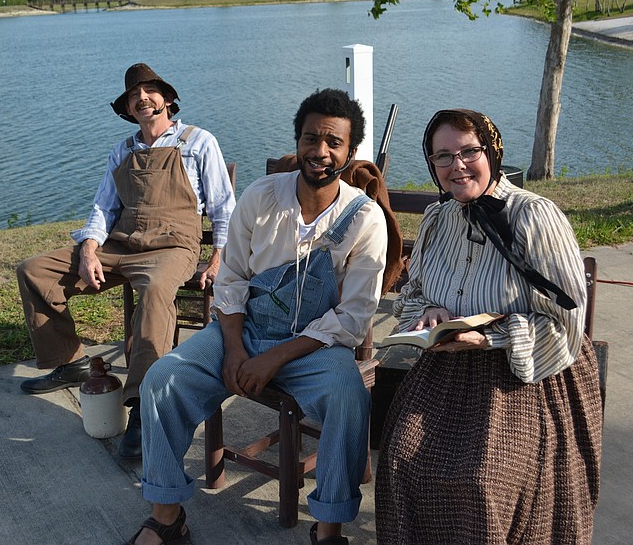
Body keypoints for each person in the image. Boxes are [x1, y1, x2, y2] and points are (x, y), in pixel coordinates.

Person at [128, 89, 388, 545]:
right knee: (161, 380)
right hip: (244, 329)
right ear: (298, 140)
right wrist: (233, 348)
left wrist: (274, 360)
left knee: (350, 398)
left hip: (315, 346)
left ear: (350, 151)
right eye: (311, 138)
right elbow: (231, 282)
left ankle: (328, 528)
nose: (320, 151)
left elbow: (353, 315)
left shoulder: (365, 218)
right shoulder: (261, 195)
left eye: (334, 142)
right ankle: (167, 517)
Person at [375, 109, 603, 544]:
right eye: (443, 156)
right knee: (401, 458)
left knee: (484, 480)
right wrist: (430, 313)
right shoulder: (437, 219)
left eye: (468, 152)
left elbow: (568, 318)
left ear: (492, 152)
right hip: (446, 370)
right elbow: (414, 291)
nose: (457, 165)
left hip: (527, 375)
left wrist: (491, 338)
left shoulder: (534, 215)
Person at [16, 63, 236, 459]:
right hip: (120, 245)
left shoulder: (198, 141)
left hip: (172, 247)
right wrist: (87, 248)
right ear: (128, 108)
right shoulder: (123, 149)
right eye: (135, 95)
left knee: (154, 293)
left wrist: (219, 257)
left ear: (167, 99)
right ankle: (70, 362)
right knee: (34, 271)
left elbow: (224, 207)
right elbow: (103, 207)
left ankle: (143, 408)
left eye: (150, 91)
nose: (142, 98)